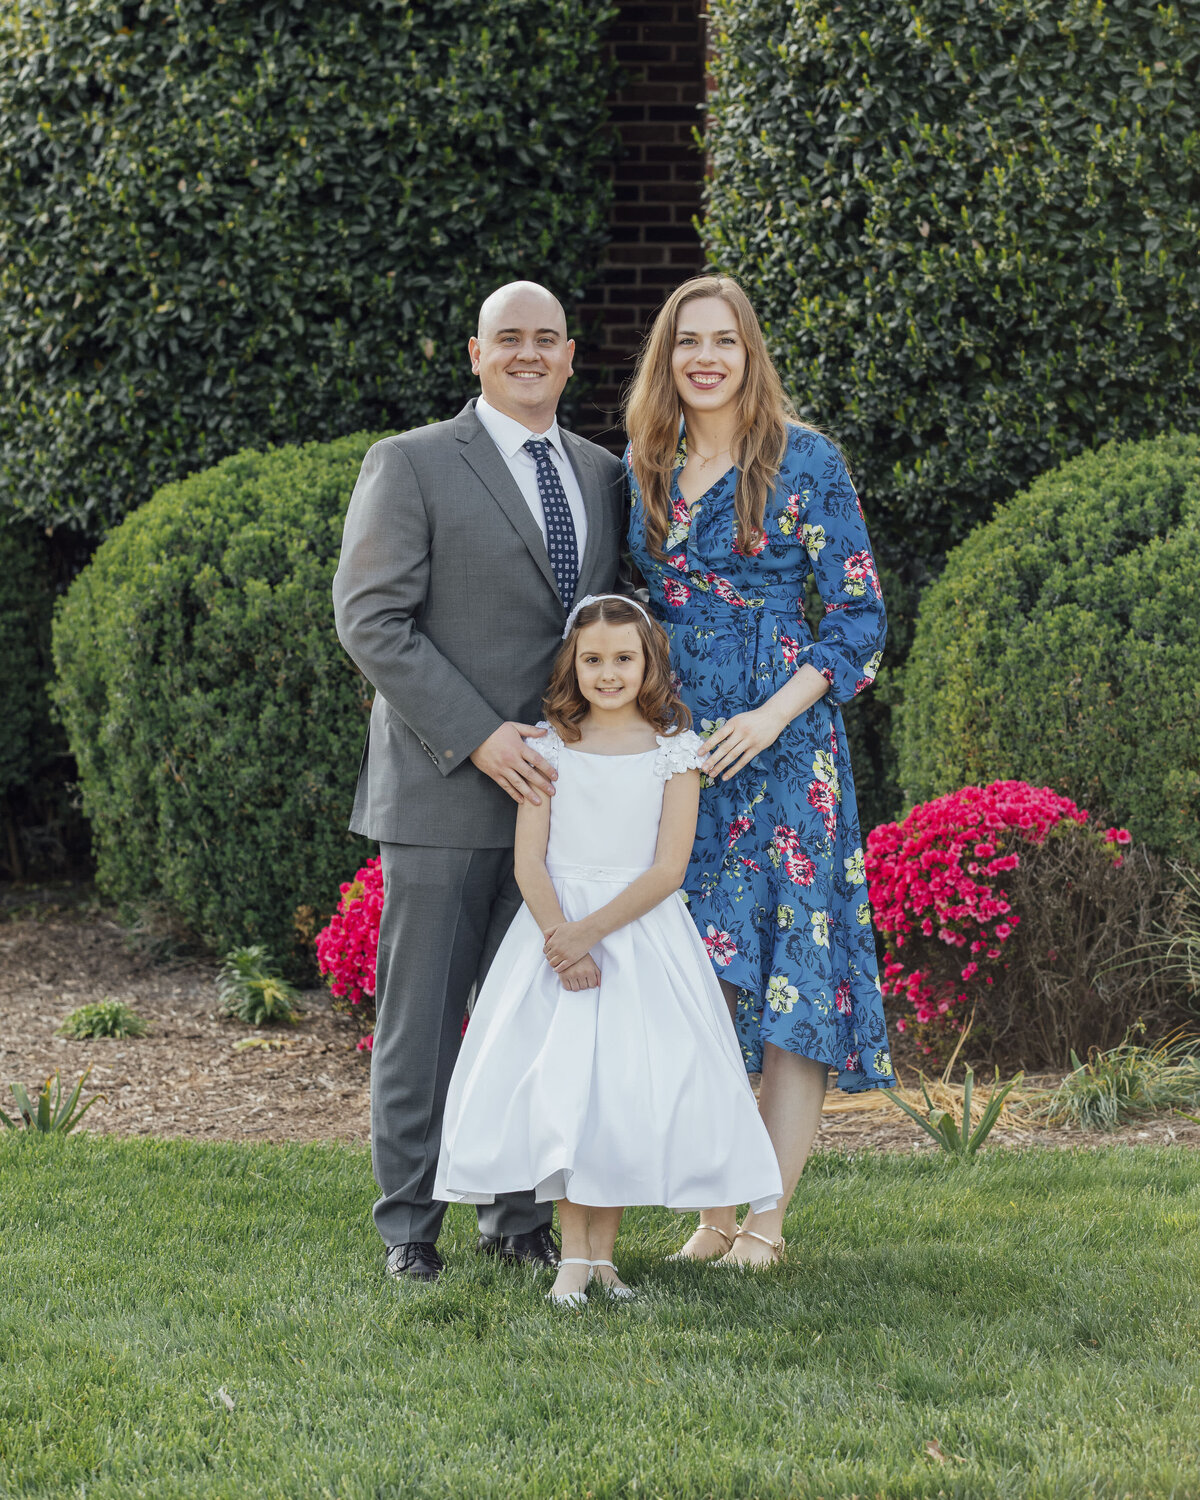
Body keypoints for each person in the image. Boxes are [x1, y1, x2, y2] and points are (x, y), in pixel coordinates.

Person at [333, 281, 627, 1283]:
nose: (529, 353)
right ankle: (408, 1227)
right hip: (444, 785)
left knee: (534, 1014)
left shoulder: (601, 474)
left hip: (561, 798)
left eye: (547, 340)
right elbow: (372, 620)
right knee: (425, 1016)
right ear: (475, 352)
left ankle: (517, 1221)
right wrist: (477, 736)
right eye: (510, 339)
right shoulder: (411, 463)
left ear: (573, 356)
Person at [623, 274, 894, 1268]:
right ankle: (712, 1212)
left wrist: (771, 716)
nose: (706, 358)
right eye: (688, 341)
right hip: (684, 759)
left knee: (792, 984)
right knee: (703, 985)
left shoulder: (805, 462)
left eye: (724, 342)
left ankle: (766, 1223)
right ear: (669, 357)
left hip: (785, 763)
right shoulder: (646, 469)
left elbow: (860, 619)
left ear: (750, 355)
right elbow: (627, 613)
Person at [434, 596, 782, 1304]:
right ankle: (572, 1259)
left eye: (624, 658)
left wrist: (592, 934)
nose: (609, 673)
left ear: (650, 662)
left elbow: (668, 870)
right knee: (569, 1092)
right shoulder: (550, 752)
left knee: (620, 1094)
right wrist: (563, 939)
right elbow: (530, 861)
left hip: (637, 938)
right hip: (554, 936)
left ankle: (604, 1258)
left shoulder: (675, 754)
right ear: (573, 665)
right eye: (592, 660)